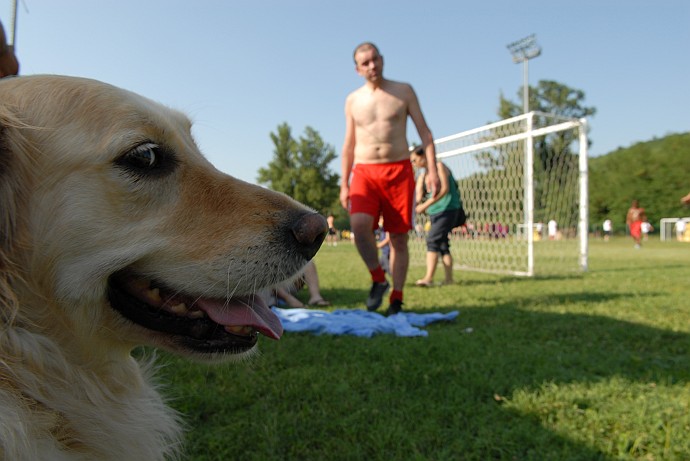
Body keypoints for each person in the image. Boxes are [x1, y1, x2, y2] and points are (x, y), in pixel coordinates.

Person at [340, 42, 440, 316]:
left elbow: (425, 133)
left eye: (375, 60)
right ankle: (377, 278)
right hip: (364, 171)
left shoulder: (403, 91)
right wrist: (344, 183)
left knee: (398, 238)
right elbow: (348, 144)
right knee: (359, 226)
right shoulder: (352, 100)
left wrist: (431, 171)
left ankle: (397, 298)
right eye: (366, 63)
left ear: (382, 60)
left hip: (398, 170)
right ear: (357, 69)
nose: (372, 66)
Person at [411, 146, 463, 287]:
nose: (414, 163)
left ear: (423, 156)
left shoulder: (440, 166)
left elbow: (445, 190)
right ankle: (449, 280)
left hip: (447, 209)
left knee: (432, 240)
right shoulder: (424, 174)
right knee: (442, 245)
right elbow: (418, 197)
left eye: (415, 160)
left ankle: (428, 278)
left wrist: (425, 205)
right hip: (434, 212)